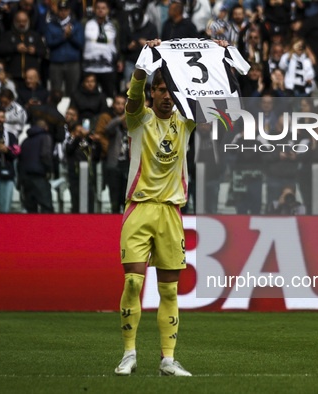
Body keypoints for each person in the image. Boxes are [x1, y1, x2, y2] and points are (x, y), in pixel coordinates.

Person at [114, 38, 226, 377]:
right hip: (139, 209)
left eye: (169, 90)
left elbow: (217, 99)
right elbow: (133, 98)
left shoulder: (186, 120)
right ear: (152, 93)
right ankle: (129, 354)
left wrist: (216, 55)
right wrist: (141, 66)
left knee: (169, 289)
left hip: (171, 212)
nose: (165, 95)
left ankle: (167, 358)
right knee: (133, 284)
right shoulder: (139, 119)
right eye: (159, 89)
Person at [45, 0, 84, 97]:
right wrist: (63, 37)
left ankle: (71, 112)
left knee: (72, 92)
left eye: (65, 9)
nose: (63, 12)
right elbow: (49, 43)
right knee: (56, 93)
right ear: (57, 10)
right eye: (61, 9)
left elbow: (80, 44)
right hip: (56, 63)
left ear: (69, 10)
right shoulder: (51, 25)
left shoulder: (77, 25)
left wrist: (70, 35)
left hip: (73, 63)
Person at [18, 119, 53, 213]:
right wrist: (49, 170)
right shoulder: (46, 137)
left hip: (26, 178)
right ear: (46, 127)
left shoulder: (25, 141)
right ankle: (47, 227)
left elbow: (20, 160)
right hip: (39, 176)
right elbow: (45, 155)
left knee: (30, 208)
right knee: (46, 207)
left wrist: (20, 179)